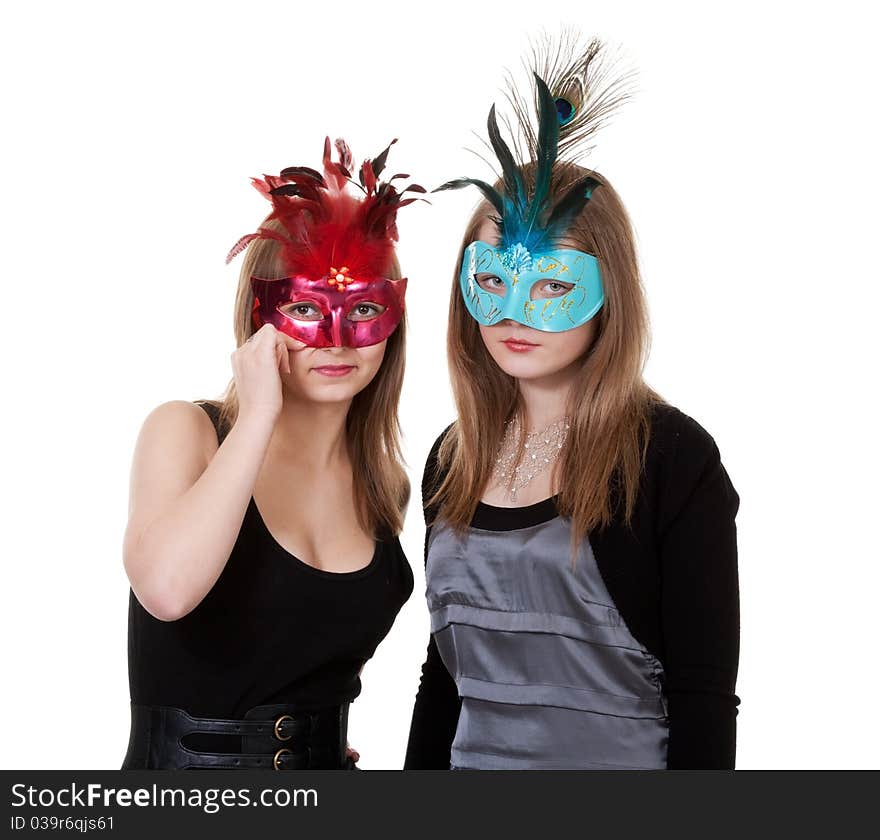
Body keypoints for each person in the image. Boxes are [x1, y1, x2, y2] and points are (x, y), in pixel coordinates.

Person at [404, 40, 741, 770]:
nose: (514, 312)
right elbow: (444, 683)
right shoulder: (451, 458)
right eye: (492, 282)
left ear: (605, 293)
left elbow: (703, 695)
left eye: (554, 285)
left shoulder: (673, 459)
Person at [121, 137, 422, 769]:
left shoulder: (381, 483)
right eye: (308, 310)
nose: (337, 340)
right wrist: (258, 413)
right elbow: (167, 590)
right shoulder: (188, 432)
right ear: (260, 314)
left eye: (364, 307)